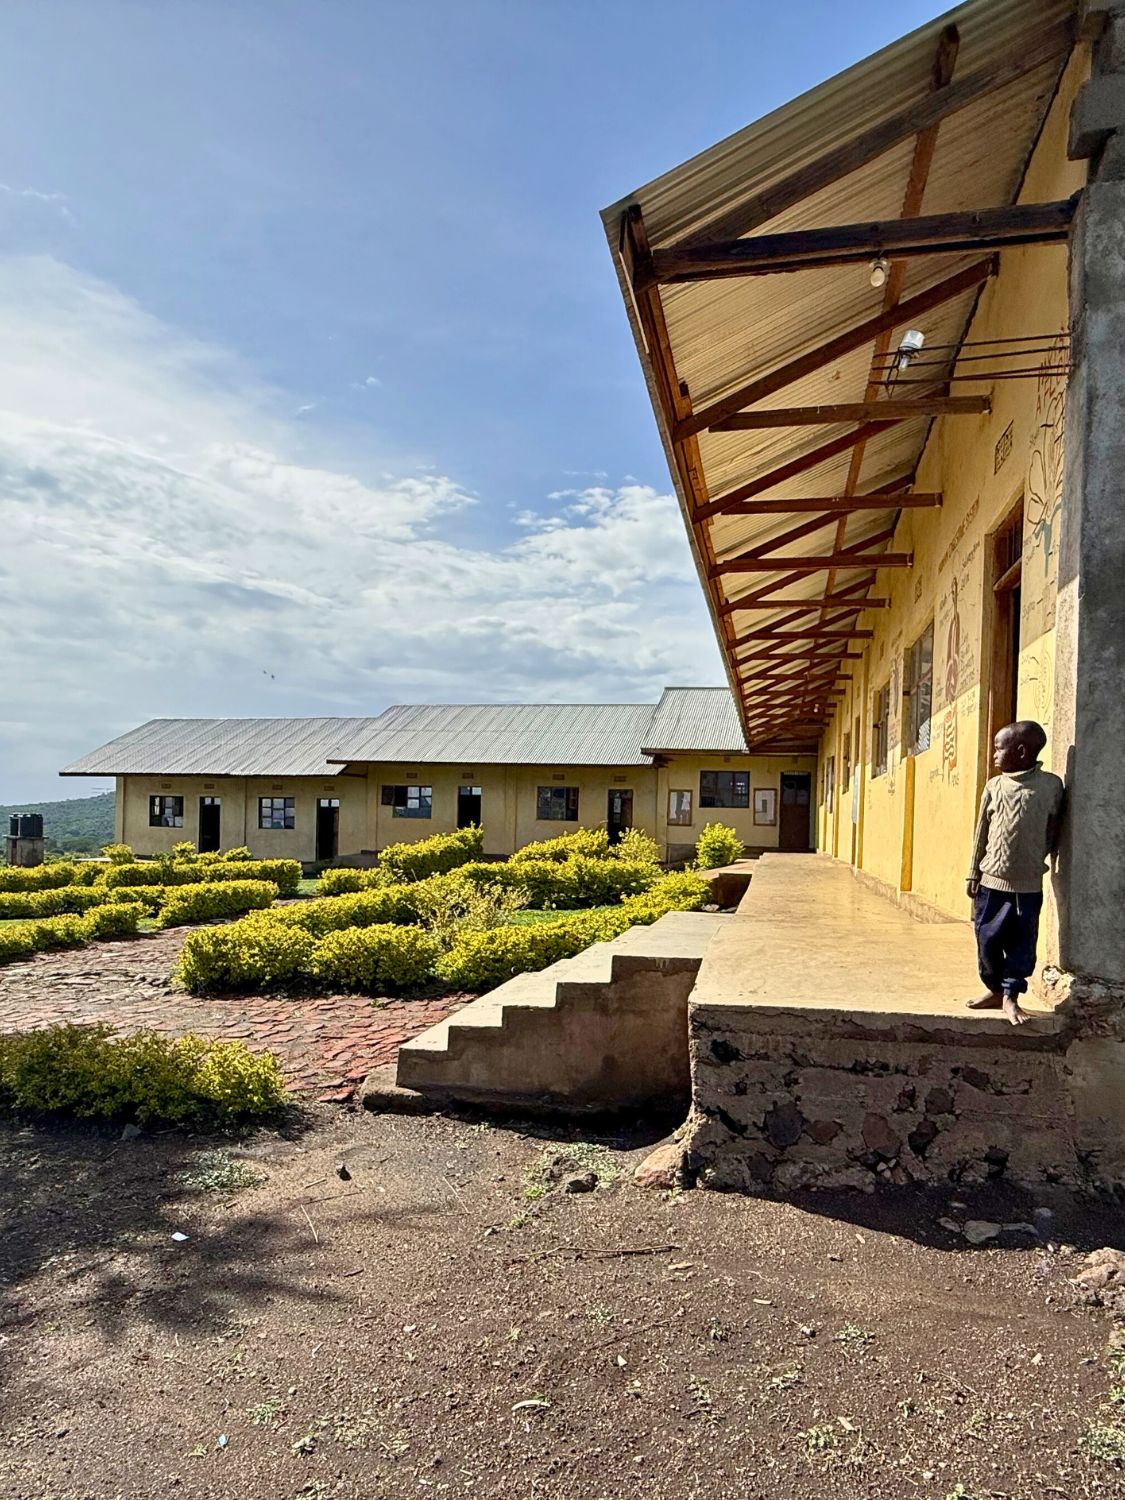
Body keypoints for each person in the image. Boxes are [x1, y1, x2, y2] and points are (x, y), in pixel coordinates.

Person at [965, 720, 1064, 1025]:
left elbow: (1053, 830)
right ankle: (994, 989)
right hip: (990, 882)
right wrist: (973, 872)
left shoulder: (1050, 786)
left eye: (999, 748)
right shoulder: (994, 786)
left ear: (1021, 751)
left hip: (1027, 885)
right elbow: (981, 831)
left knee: (1021, 943)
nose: (994, 754)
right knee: (987, 939)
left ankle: (1011, 996)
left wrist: (1036, 859)